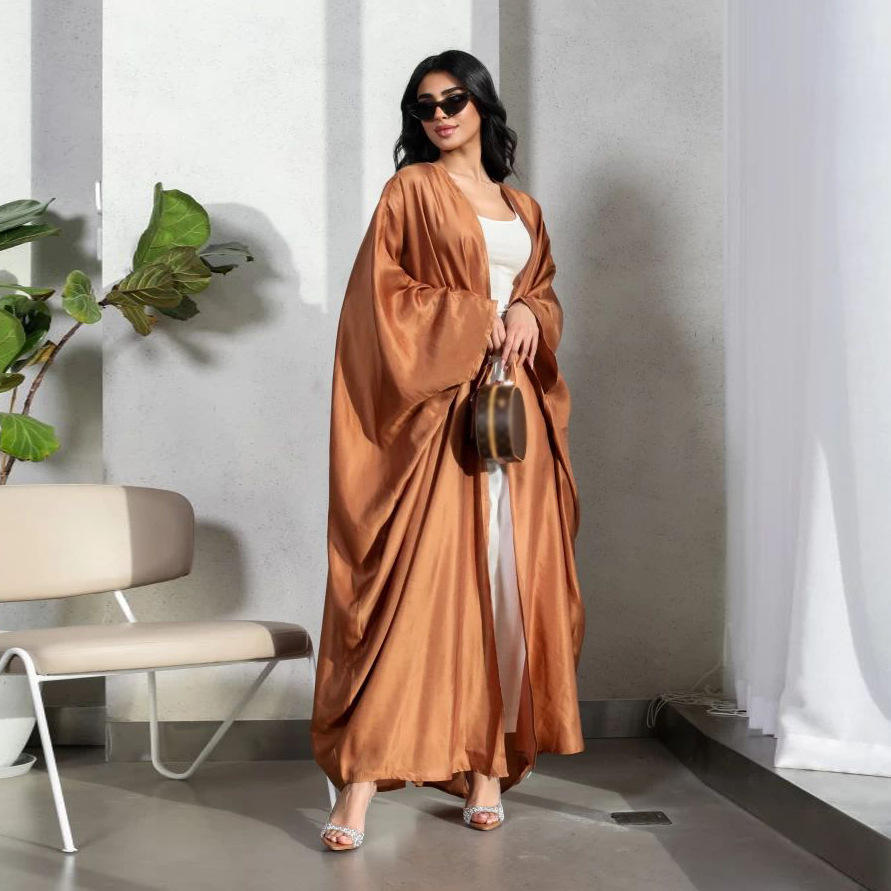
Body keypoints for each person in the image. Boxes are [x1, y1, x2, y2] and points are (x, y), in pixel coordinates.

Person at [312, 49, 585, 851]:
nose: (438, 115)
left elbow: (540, 289)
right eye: (424, 105)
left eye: (453, 100)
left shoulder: (523, 207)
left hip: (511, 417)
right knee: (420, 593)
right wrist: (475, 319)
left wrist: (531, 312)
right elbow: (380, 298)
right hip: (439, 418)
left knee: (504, 587)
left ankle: (486, 766)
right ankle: (360, 782)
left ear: (481, 107)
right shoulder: (411, 190)